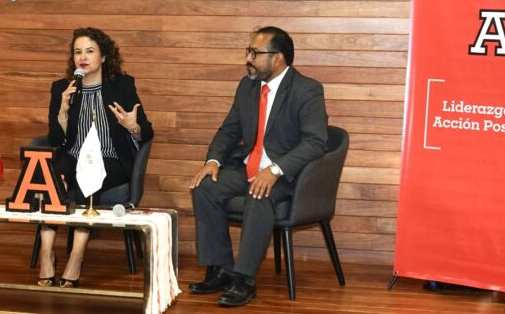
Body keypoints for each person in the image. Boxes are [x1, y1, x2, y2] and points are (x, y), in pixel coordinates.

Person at [188, 26, 328, 306]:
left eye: (255, 52)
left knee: (258, 192)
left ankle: (245, 280)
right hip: (248, 167)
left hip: (287, 177)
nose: (248, 58)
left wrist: (276, 169)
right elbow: (229, 130)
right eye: (248, 51)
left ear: (277, 58)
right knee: (205, 187)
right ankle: (222, 269)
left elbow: (316, 142)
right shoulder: (247, 86)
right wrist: (213, 161)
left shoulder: (306, 89)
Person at [37, 27, 154, 288]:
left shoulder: (122, 85)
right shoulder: (61, 89)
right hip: (74, 155)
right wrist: (63, 112)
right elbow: (56, 141)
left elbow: (146, 131)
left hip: (111, 159)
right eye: (78, 52)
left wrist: (132, 126)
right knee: (48, 174)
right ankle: (47, 253)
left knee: (89, 175)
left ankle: (76, 256)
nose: (83, 57)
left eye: (90, 51)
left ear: (103, 57)